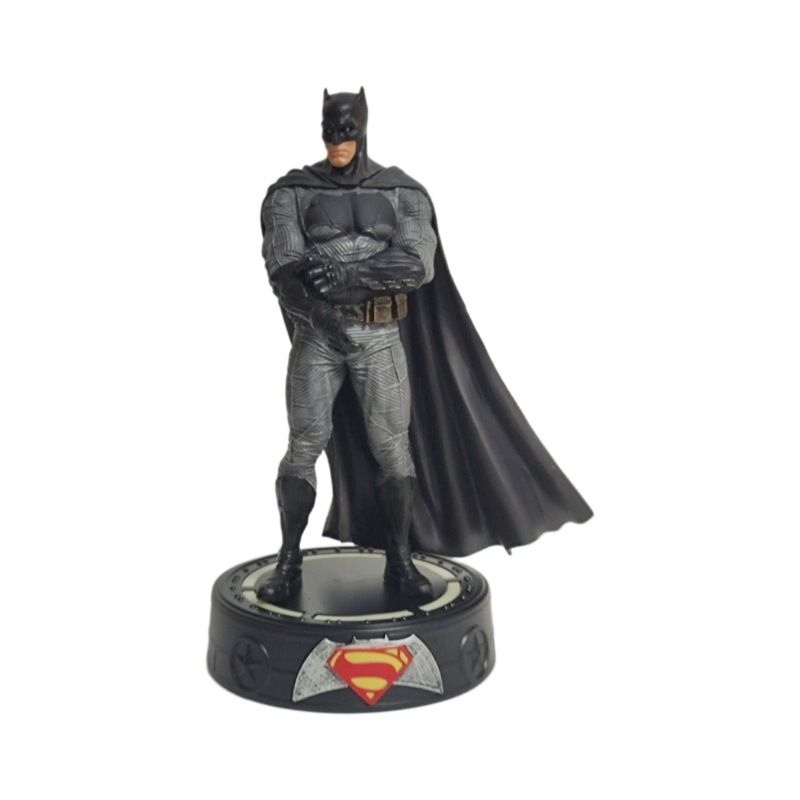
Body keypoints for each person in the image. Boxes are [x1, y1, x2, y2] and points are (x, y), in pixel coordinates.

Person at [259, 88, 592, 604]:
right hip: (317, 336)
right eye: (329, 130)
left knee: (393, 447)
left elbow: (417, 264)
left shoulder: (403, 193)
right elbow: (283, 268)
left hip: (380, 336)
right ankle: (287, 561)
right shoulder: (291, 193)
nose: (337, 141)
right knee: (304, 445)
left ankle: (400, 559)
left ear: (363, 127)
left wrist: (349, 274)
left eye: (346, 130)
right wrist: (320, 310)